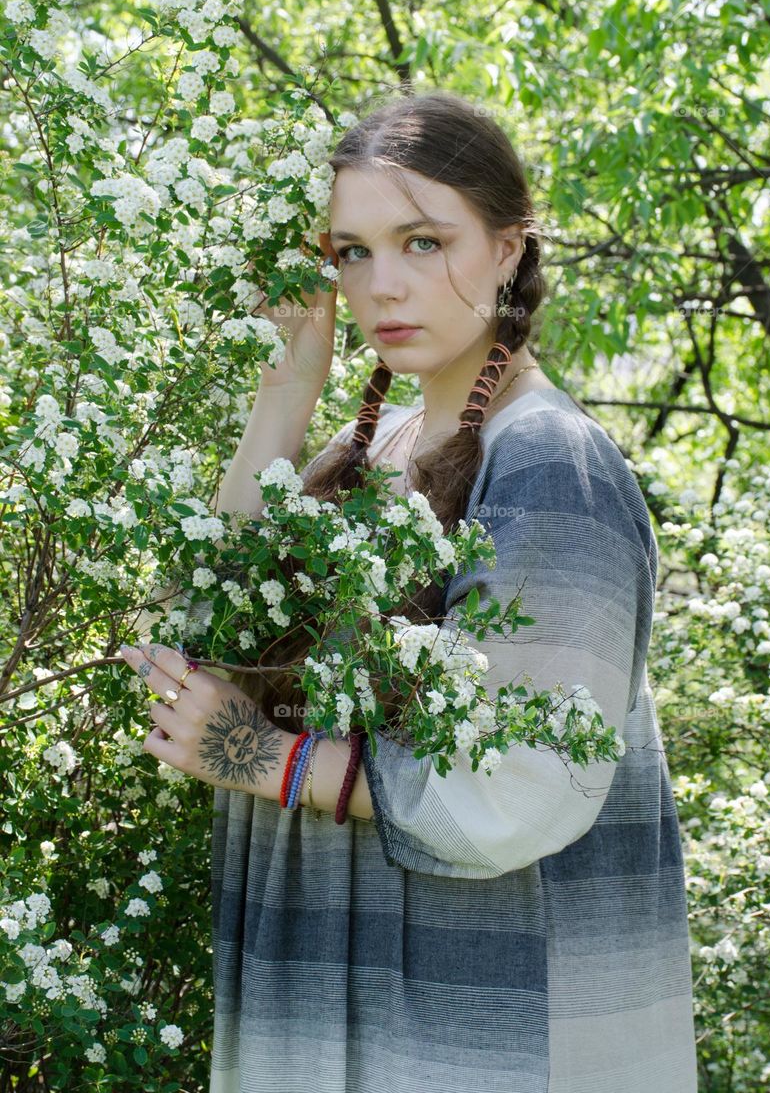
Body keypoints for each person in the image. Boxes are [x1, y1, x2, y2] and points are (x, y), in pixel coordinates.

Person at [133, 91, 699, 1091]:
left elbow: (516, 781)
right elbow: (207, 630)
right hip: (332, 990)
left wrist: (263, 756)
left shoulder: (544, 464)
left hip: (478, 1021)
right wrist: (288, 387)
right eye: (350, 250)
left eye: (423, 240)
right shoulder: (367, 453)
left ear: (508, 248)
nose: (380, 283)